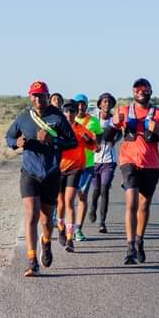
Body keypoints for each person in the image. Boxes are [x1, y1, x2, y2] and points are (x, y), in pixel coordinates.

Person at [6, 81, 77, 277]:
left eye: (41, 95)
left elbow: (72, 141)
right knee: (31, 215)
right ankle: (32, 261)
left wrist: (53, 140)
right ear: (30, 97)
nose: (38, 99)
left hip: (51, 173)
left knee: (46, 220)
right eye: (34, 95)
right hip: (29, 172)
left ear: (47, 96)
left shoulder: (57, 116)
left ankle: (46, 243)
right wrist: (16, 143)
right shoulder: (23, 118)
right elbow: (9, 137)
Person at [104, 78, 159, 264]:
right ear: (133, 91)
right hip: (129, 163)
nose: (141, 91)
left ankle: (139, 241)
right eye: (137, 89)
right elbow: (107, 139)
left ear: (150, 91)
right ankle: (129, 248)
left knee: (144, 206)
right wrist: (113, 124)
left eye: (145, 89)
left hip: (151, 166)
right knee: (132, 202)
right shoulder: (123, 111)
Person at [56, 99, 97, 252]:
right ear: (63, 112)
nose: (69, 114)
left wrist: (89, 141)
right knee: (60, 203)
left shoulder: (81, 129)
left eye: (72, 111)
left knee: (69, 201)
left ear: (75, 113)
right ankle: (60, 226)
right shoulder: (57, 129)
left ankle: (69, 238)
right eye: (66, 111)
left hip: (76, 168)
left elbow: (94, 147)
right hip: (59, 169)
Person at [73, 93, 102, 241]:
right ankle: (67, 226)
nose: (80, 107)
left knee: (82, 195)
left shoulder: (94, 122)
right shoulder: (70, 120)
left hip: (88, 165)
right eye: (77, 104)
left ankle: (78, 229)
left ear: (86, 105)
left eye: (82, 104)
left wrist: (96, 146)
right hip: (71, 165)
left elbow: (99, 139)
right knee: (68, 198)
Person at [89, 92, 119, 233]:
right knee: (96, 190)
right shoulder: (94, 120)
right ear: (100, 104)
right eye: (104, 101)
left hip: (109, 160)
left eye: (109, 102)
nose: (107, 104)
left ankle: (102, 222)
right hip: (94, 161)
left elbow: (120, 134)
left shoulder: (115, 121)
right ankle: (93, 207)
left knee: (104, 189)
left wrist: (116, 138)